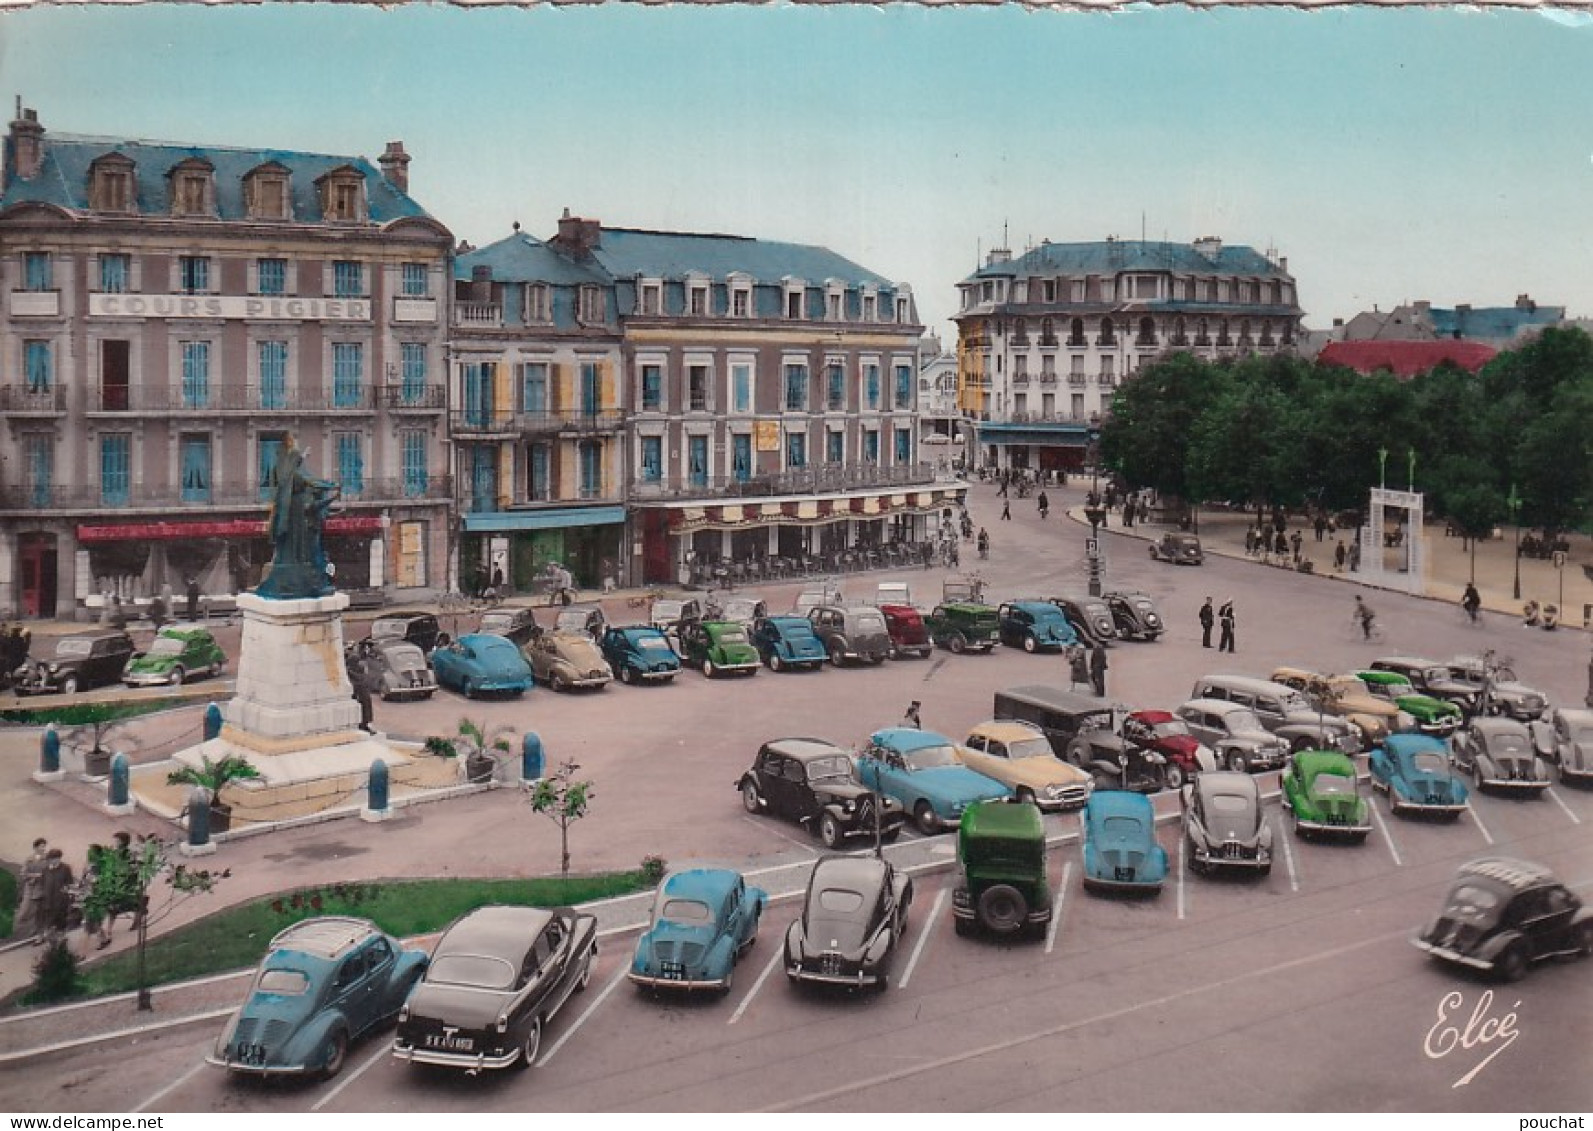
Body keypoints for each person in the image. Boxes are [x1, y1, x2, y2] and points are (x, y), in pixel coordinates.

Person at [38, 848, 75, 944]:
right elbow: (42, 883)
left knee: (61, 922)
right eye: (51, 859)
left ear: (59, 858)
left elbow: (70, 883)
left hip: (61, 901)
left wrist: (66, 893)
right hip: (48, 901)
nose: (54, 860)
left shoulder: (65, 868)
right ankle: (52, 943)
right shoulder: (45, 870)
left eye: (56, 858)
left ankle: (61, 940)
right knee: (49, 923)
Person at [17, 837, 48, 944]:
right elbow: (23, 874)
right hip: (30, 889)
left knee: (40, 912)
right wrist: (34, 876)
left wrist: (40, 877)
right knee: (25, 911)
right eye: (41, 846)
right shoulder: (29, 859)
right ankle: (35, 931)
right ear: (36, 847)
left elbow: (49, 874)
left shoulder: (47, 859)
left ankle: (40, 935)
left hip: (43, 889)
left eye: (44, 846)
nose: (43, 848)